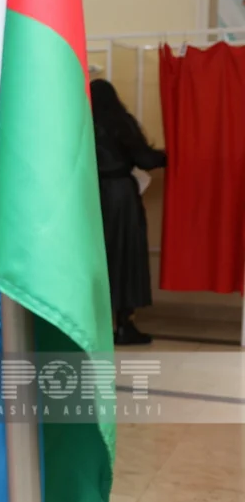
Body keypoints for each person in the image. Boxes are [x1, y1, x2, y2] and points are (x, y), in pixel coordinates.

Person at [91, 78, 166, 345]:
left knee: (99, 260)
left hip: (90, 197)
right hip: (120, 197)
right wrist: (172, 155)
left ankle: (95, 325)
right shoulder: (120, 122)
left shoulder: (80, 124)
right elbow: (145, 159)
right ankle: (125, 325)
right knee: (126, 255)